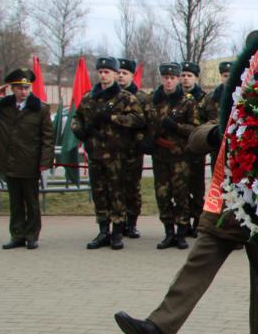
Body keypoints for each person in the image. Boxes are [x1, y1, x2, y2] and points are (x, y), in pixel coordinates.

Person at [114, 118, 258, 334]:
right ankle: (158, 328)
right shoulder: (239, 96)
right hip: (231, 203)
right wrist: (217, 133)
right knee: (199, 261)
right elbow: (196, 136)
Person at [71, 57, 144, 250]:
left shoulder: (125, 98)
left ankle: (118, 232)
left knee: (117, 193)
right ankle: (103, 230)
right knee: (99, 193)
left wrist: (112, 118)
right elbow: (77, 117)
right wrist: (79, 130)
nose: (103, 75)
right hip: (95, 154)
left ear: (115, 73)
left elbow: (138, 119)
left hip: (117, 156)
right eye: (101, 71)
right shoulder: (89, 97)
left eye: (108, 72)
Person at [0, 69, 54, 249]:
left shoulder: (40, 108)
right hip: (9, 162)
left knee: (31, 202)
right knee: (15, 202)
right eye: (19, 88)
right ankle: (17, 235)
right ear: (12, 88)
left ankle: (32, 235)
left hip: (30, 162)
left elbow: (48, 138)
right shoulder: (3, 107)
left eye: (26, 87)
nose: (23, 91)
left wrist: (45, 162)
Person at [147, 62, 198, 250]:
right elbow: (145, 124)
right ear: (161, 78)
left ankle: (181, 233)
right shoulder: (152, 100)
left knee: (181, 195)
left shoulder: (187, 101)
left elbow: (195, 128)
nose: (169, 81)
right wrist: (147, 140)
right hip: (159, 156)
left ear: (177, 79)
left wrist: (176, 127)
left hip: (179, 157)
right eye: (166, 78)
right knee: (162, 195)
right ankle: (168, 232)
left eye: (172, 78)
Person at [117, 57, 148, 238]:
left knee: (132, 188)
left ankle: (132, 222)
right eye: (119, 73)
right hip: (113, 150)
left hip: (133, 150)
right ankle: (118, 223)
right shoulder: (111, 96)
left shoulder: (141, 97)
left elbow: (145, 123)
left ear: (131, 75)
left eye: (125, 73)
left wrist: (141, 140)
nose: (121, 76)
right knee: (115, 188)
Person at [181, 61, 208, 236]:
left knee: (197, 188)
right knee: (181, 189)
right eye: (183, 75)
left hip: (196, 151)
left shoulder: (203, 98)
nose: (185, 79)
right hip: (177, 151)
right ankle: (183, 223)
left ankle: (198, 221)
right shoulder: (176, 97)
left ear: (196, 78)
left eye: (189, 75)